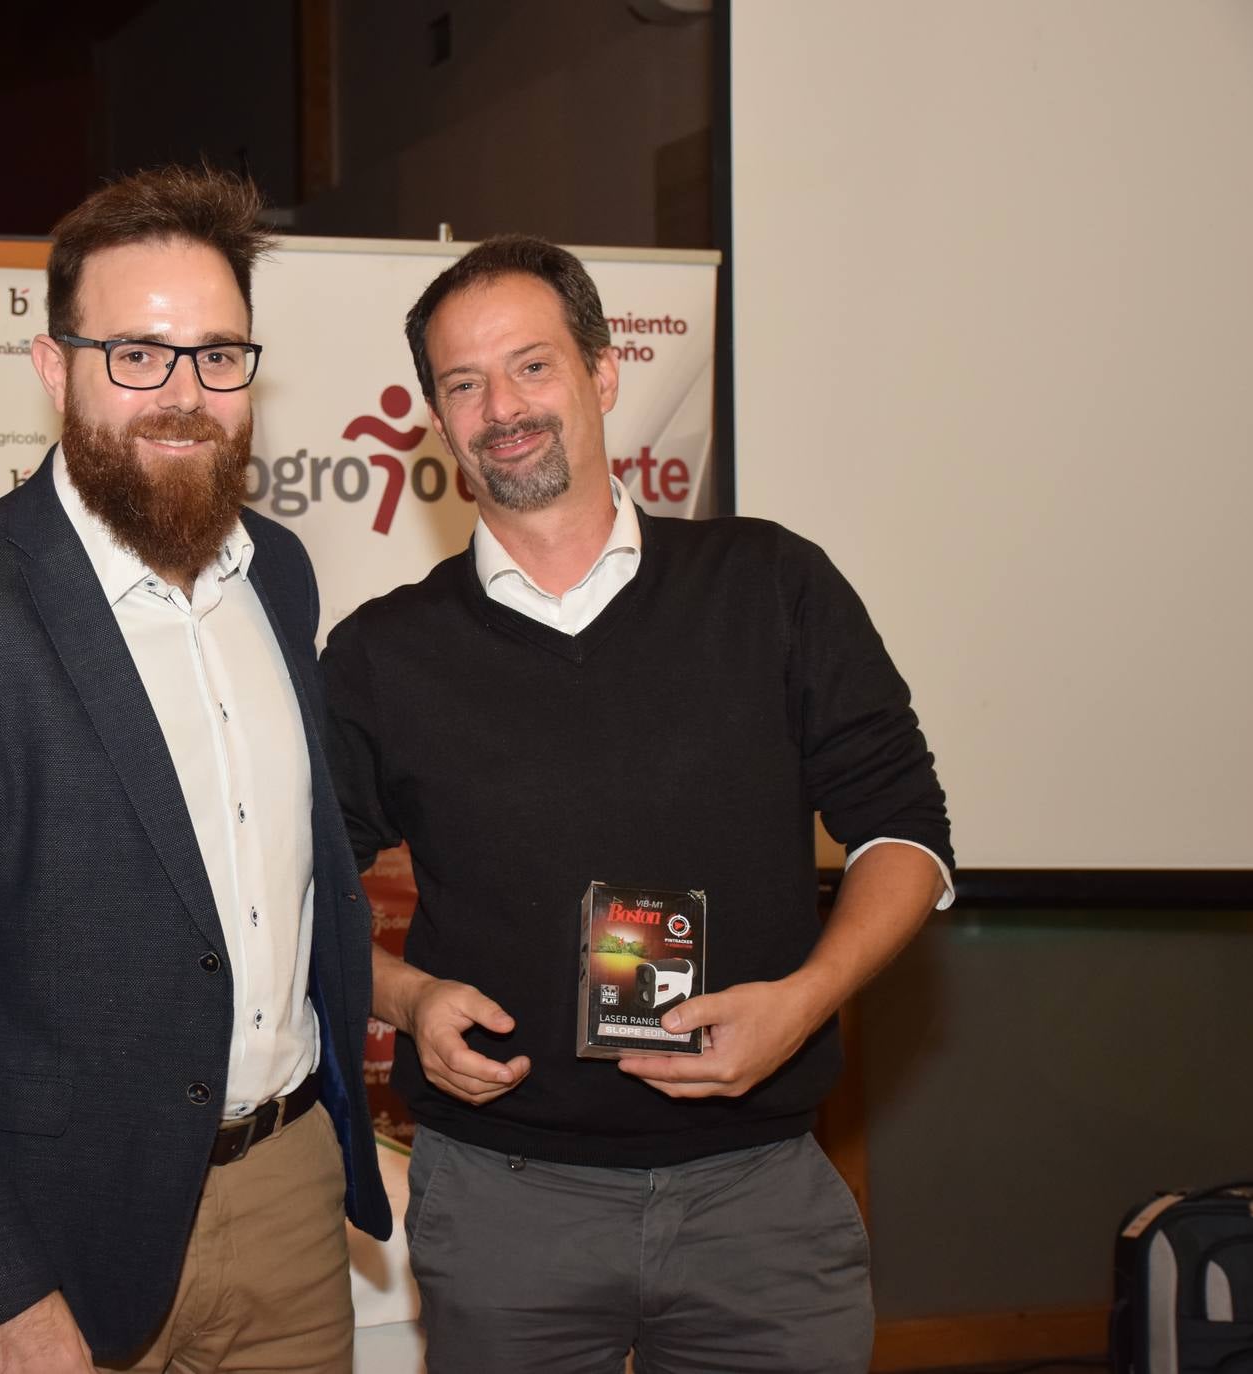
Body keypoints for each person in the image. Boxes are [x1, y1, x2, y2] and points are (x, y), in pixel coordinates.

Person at [320, 235, 953, 1374]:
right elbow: (298, 896)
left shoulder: (771, 586)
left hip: (759, 1203)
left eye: (532, 367)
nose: (500, 407)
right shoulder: (382, 655)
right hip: (504, 1209)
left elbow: (907, 838)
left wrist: (806, 999)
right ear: (437, 421)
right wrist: (407, 997)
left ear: (604, 375)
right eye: (462, 384)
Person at [0, 167, 389, 1374]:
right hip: (50, 1236)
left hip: (288, 1202)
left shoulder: (278, 575)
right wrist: (2, 1300)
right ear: (53, 365)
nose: (184, 396)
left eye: (219, 356)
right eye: (138, 353)